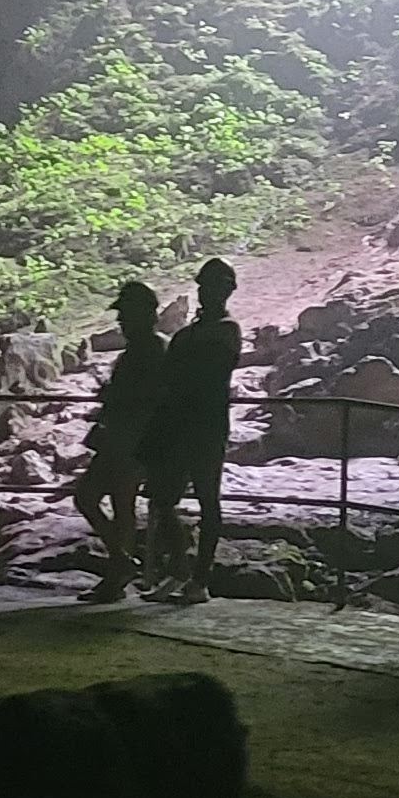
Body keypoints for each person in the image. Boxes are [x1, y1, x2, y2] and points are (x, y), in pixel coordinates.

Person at [144, 258, 244, 604]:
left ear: (227, 291)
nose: (208, 292)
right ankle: (183, 571)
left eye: (215, 286)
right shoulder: (205, 333)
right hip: (187, 423)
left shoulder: (224, 331)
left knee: (206, 499)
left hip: (204, 425)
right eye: (205, 286)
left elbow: (199, 373)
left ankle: (198, 579)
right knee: (163, 498)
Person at [74, 278, 166, 606]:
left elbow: (153, 396)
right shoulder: (140, 351)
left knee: (101, 500)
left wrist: (117, 397)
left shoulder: (154, 349)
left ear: (145, 314)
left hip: (134, 440)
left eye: (126, 314)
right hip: (122, 438)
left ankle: (118, 570)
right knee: (106, 502)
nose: (121, 322)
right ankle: (120, 566)